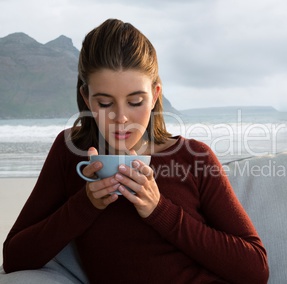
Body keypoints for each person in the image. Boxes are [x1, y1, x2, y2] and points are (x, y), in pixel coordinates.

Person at [2, 19, 269, 283]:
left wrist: (159, 210)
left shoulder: (194, 156)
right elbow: (15, 257)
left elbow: (255, 269)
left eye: (135, 101)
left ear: (154, 95)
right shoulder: (71, 151)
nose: (121, 117)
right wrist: (86, 204)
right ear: (86, 97)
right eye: (105, 103)